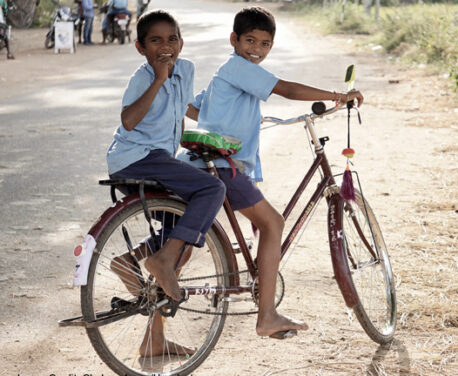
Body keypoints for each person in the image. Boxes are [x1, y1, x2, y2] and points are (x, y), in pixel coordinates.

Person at [178, 6, 363, 340]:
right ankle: (267, 315)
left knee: (186, 237)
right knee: (272, 223)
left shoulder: (226, 75)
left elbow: (195, 108)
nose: (256, 49)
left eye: (265, 44)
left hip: (205, 164)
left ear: (271, 46)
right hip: (224, 166)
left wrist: (230, 119)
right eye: (250, 40)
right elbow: (288, 90)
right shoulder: (238, 67)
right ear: (233, 40)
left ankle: (135, 263)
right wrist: (338, 96)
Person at [106, 9, 226, 357]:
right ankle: (160, 263)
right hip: (137, 158)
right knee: (212, 189)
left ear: (181, 42)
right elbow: (128, 121)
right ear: (140, 48)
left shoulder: (186, 69)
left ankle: (131, 262)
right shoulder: (142, 78)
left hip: (159, 160)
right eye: (155, 40)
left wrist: (220, 127)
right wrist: (158, 78)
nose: (165, 46)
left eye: (171, 39)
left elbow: (185, 107)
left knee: (182, 221)